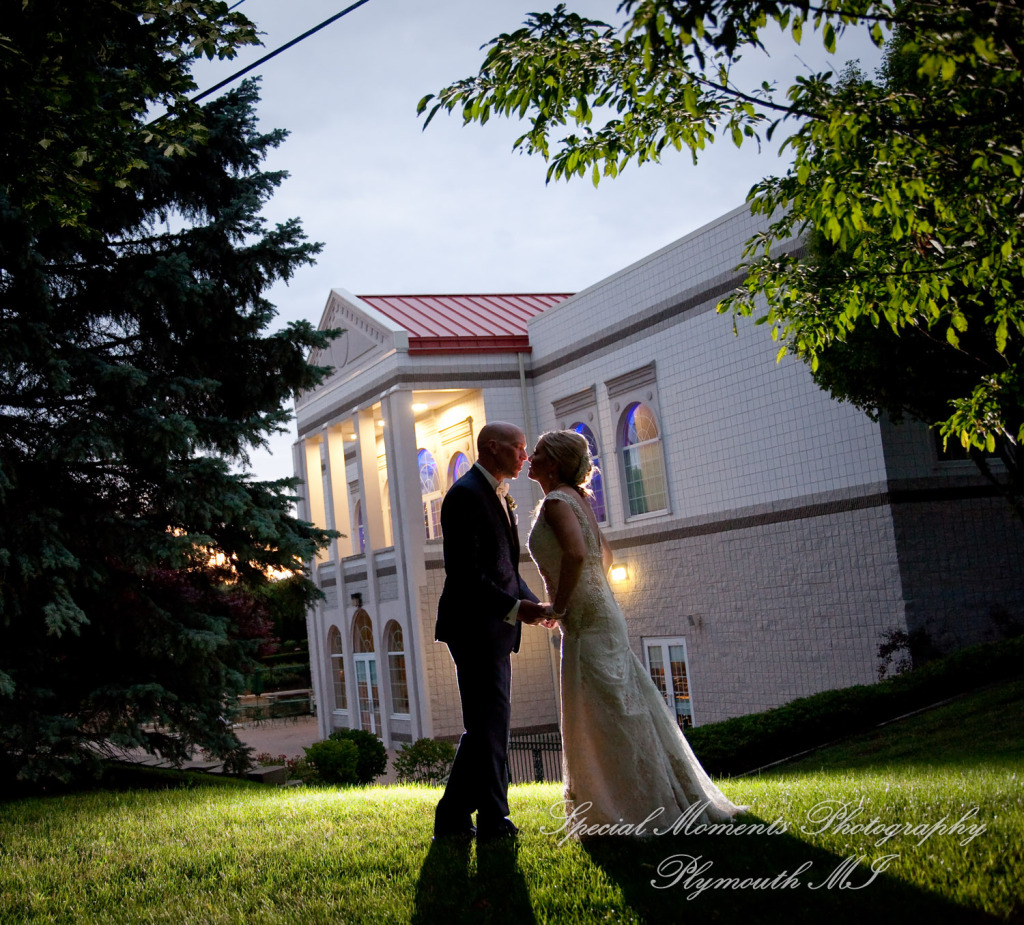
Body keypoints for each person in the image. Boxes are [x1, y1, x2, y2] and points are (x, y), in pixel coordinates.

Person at [526, 429, 744, 832]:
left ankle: (630, 805)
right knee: (618, 703)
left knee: (607, 708)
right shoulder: (578, 500)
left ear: (553, 463)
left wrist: (559, 603)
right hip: (599, 608)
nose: (529, 457)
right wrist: (584, 592)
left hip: (588, 616)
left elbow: (576, 554)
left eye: (537, 452)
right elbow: (603, 556)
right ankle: (640, 794)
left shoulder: (557, 502)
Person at [433, 421, 548, 844]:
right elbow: (465, 576)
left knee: (485, 728)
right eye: (519, 448)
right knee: (489, 728)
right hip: (473, 629)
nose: (525, 457)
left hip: (493, 629)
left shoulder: (496, 495)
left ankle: (453, 818)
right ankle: (494, 820)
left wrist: (535, 604)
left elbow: (505, 570)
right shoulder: (464, 495)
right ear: (493, 448)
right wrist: (518, 609)